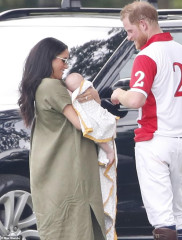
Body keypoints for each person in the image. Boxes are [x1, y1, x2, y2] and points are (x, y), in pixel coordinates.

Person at [111, 2, 182, 240]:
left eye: (130, 31)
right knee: (177, 214)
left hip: (154, 141)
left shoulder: (147, 55)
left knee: (162, 218)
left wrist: (119, 94)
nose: (129, 38)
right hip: (180, 141)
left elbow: (136, 99)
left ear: (144, 24)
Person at [18, 37, 106, 240]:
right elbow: (82, 124)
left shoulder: (40, 86)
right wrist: (95, 100)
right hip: (67, 171)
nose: (66, 66)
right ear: (48, 59)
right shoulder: (52, 86)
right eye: (63, 60)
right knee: (77, 229)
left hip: (51, 170)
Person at [65, 72, 118, 240]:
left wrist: (96, 98)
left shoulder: (83, 98)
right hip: (99, 148)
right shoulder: (78, 101)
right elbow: (90, 125)